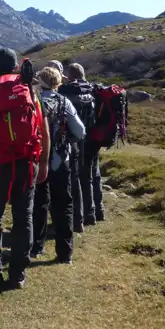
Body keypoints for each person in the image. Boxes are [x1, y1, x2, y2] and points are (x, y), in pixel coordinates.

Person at [0, 49, 50, 290]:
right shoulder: (30, 91)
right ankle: (18, 274)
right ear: (16, 66)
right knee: (23, 217)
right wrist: (44, 162)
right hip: (26, 164)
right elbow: (43, 131)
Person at [31, 67, 85, 264]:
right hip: (62, 160)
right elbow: (80, 131)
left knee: (38, 205)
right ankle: (65, 253)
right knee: (64, 205)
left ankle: (36, 247)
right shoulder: (64, 102)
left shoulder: (34, 101)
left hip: (37, 161)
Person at [58, 63, 96, 233]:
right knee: (90, 175)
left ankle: (76, 218)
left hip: (74, 139)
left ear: (71, 75)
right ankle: (93, 213)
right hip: (92, 138)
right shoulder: (91, 88)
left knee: (74, 178)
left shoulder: (66, 91)